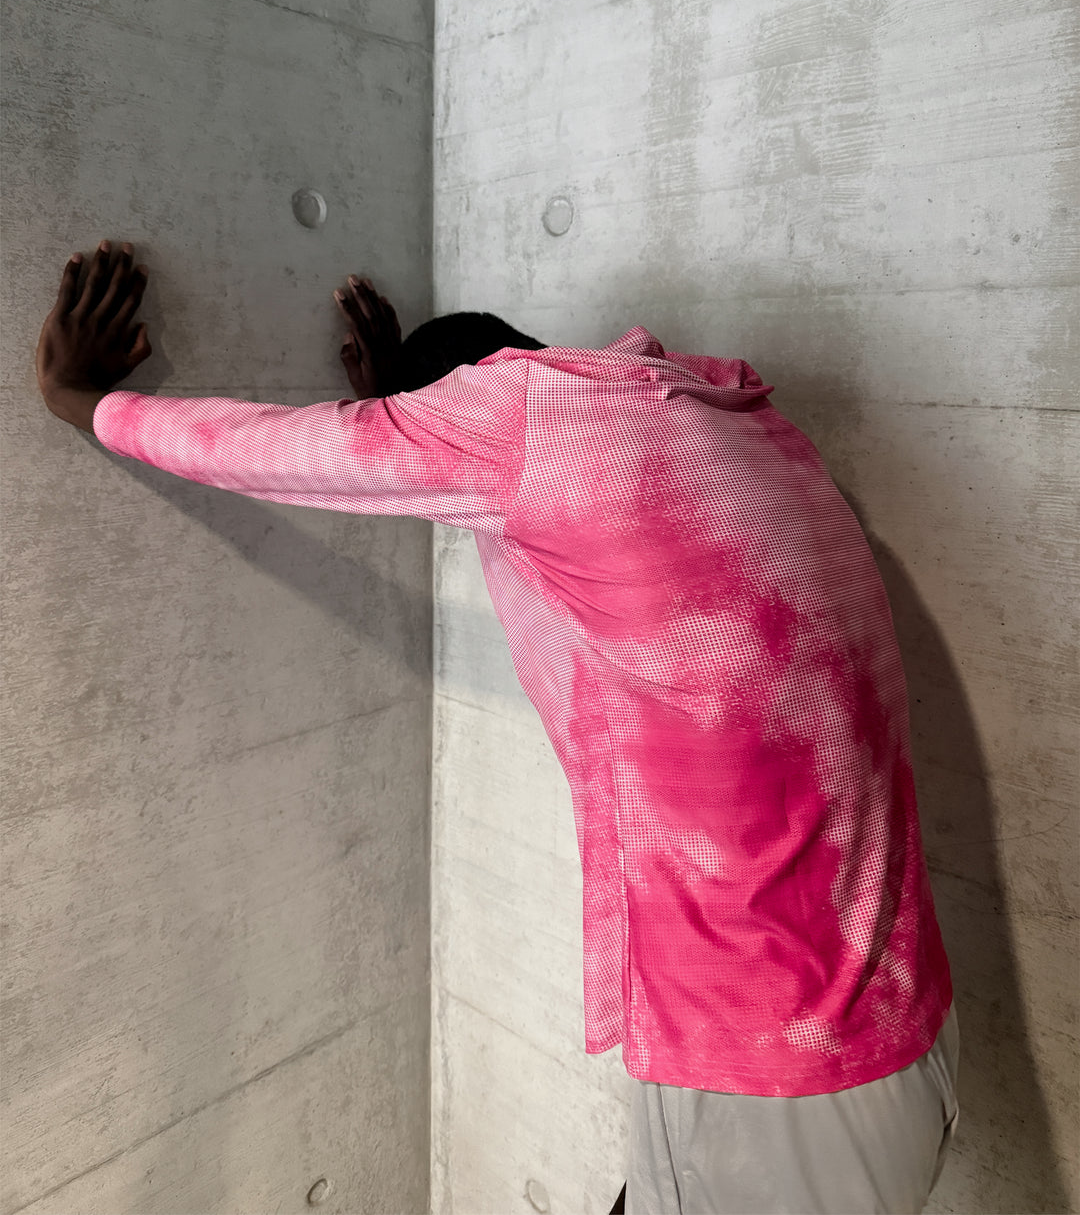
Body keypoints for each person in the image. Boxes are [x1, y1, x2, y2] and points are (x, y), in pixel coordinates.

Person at [36, 240, 959, 1215]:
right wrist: (401, 399)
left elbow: (288, 449)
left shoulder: (520, 422)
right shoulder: (720, 425)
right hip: (895, 1033)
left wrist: (84, 403)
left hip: (775, 1079)